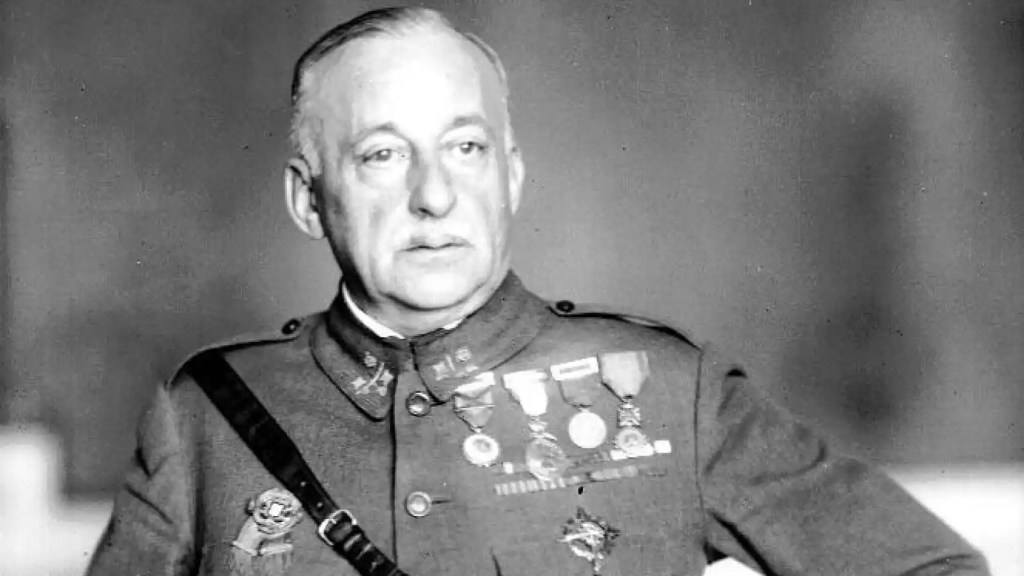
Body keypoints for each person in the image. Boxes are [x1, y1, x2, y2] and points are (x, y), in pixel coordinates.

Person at [87, 6, 988, 575]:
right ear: (306, 198)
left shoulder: (670, 391)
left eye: (465, 147)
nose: (433, 195)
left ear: (511, 176)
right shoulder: (206, 416)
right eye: (382, 154)